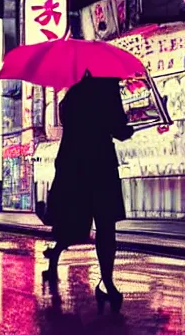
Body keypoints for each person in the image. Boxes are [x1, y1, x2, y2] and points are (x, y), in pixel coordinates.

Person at [44, 71, 134, 314]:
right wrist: (128, 130)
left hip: (73, 164)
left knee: (73, 223)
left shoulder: (72, 95)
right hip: (101, 164)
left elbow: (69, 124)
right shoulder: (108, 88)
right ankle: (107, 282)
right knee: (106, 227)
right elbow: (118, 127)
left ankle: (53, 260)